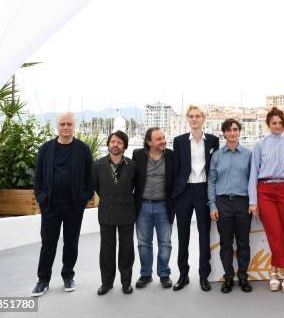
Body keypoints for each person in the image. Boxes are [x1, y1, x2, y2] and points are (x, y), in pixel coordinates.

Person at [31, 112, 94, 297]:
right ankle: (43, 280)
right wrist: (42, 199)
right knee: (48, 243)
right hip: (50, 206)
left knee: (71, 242)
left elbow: (90, 178)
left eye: (69, 124)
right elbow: (38, 178)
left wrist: (84, 198)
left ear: (74, 126)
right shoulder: (46, 149)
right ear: (57, 126)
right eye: (62, 124)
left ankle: (68, 276)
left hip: (74, 206)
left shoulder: (83, 149)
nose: (65, 127)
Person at [248, 107, 284, 293]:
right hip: (265, 191)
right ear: (268, 124)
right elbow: (253, 173)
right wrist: (253, 201)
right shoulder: (260, 144)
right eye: (274, 123)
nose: (278, 126)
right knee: (275, 232)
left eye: (280, 123)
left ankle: (273, 270)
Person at [172, 105, 219, 292]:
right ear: (187, 119)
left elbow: (214, 168)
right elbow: (176, 168)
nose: (194, 119)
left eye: (197, 116)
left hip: (203, 191)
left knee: (204, 234)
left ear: (203, 118)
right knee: (183, 235)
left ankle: (203, 276)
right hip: (184, 192)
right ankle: (183, 275)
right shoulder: (179, 141)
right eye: (191, 116)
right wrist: (174, 193)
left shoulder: (213, 141)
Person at [208, 119, 253, 293]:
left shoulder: (248, 155)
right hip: (223, 202)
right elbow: (211, 182)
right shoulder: (217, 156)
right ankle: (228, 278)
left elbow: (252, 181)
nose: (232, 133)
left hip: (243, 202)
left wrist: (253, 203)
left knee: (243, 243)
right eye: (229, 130)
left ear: (239, 132)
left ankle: (243, 277)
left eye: (235, 129)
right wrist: (212, 204)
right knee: (225, 243)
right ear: (224, 133)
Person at [93, 130, 136, 295]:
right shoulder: (97, 164)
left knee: (126, 249)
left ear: (124, 146)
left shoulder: (132, 165)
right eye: (112, 142)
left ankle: (126, 283)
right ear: (108, 144)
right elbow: (96, 186)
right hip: (106, 212)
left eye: (119, 142)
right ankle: (106, 283)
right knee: (106, 250)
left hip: (126, 212)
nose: (115, 145)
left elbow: (135, 186)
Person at [132, 127, 175, 289]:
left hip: (164, 206)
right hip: (142, 205)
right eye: (159, 139)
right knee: (143, 243)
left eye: (163, 137)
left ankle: (164, 274)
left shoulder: (171, 156)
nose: (163, 141)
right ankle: (145, 274)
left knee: (165, 243)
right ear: (149, 142)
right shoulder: (138, 155)